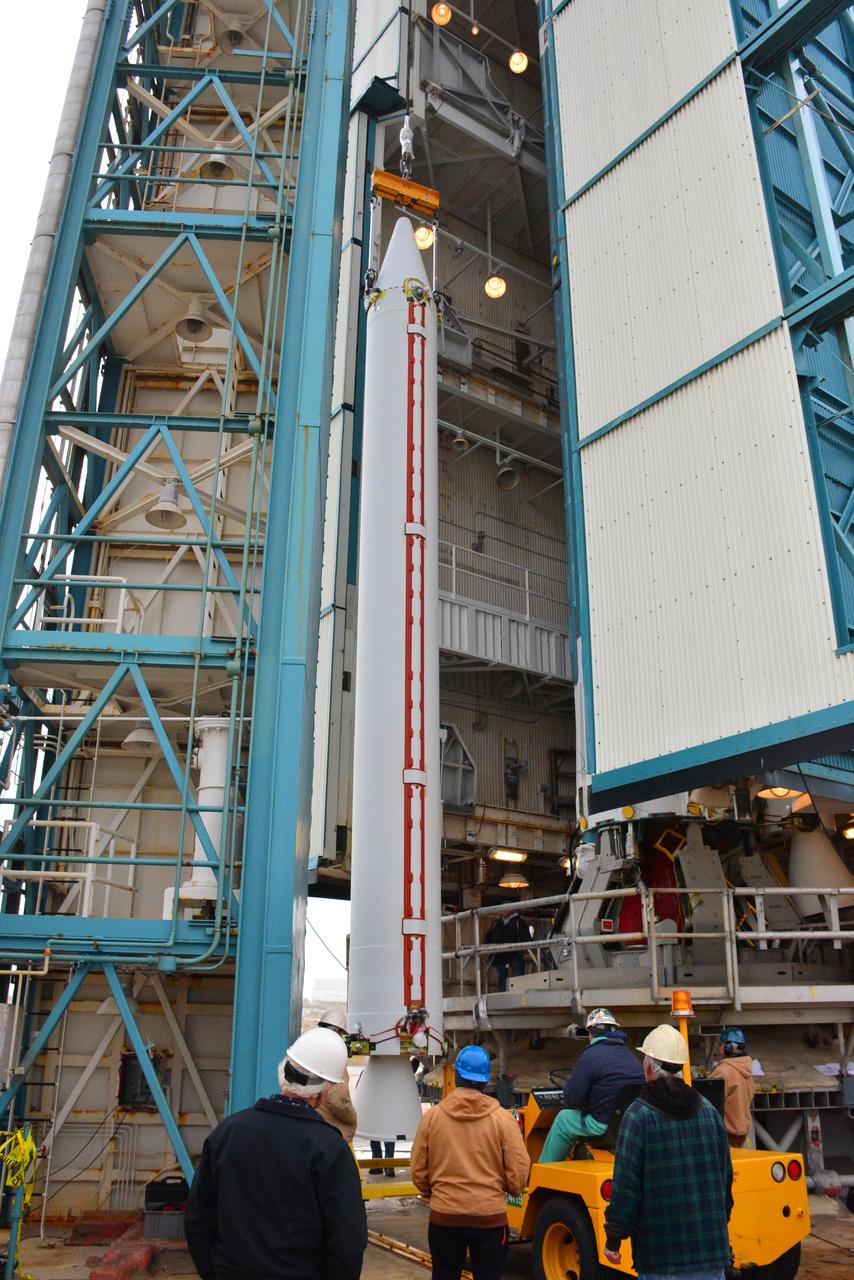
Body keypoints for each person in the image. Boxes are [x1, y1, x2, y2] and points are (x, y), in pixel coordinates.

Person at [185, 1027, 367, 1280]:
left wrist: (213, 1272)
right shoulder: (329, 1149)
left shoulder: (227, 1132)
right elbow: (347, 1241)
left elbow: (198, 1219)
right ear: (324, 1092)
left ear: (283, 1072)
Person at [603, 1024, 733, 1280]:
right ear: (681, 1067)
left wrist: (614, 1239)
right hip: (711, 1254)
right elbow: (725, 1180)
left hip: (661, 1258)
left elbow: (626, 1188)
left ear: (648, 1068)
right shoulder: (709, 1111)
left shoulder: (638, 1116)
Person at [411, 1044, 530, 1280]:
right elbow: (518, 1177)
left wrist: (436, 1190)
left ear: (456, 1077)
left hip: (445, 1218)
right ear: (485, 1081)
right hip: (490, 1220)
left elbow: (418, 1171)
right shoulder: (502, 1119)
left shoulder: (433, 1117)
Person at [539, 1008, 644, 1162]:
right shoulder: (631, 1056)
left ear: (590, 1032)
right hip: (628, 1126)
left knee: (563, 1119)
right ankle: (588, 1158)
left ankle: (545, 1172)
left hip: (602, 1126)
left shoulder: (590, 1056)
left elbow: (573, 1099)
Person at [314, 1009, 358, 1143]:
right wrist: (352, 1119)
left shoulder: (311, 1051)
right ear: (338, 1032)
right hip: (331, 1134)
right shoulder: (335, 1056)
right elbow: (339, 1098)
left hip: (314, 1126)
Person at [709, 1026, 756, 1148]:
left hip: (725, 1134)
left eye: (721, 1044)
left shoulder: (723, 1071)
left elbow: (708, 1102)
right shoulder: (747, 1072)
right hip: (741, 1134)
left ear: (728, 1047)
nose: (720, 1047)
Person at [485, 910, 533, 992]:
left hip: (515, 953)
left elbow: (526, 937)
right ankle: (502, 996)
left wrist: (524, 946)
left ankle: (519, 993)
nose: (503, 911)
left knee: (519, 976)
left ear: (511, 910)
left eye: (505, 909)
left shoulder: (519, 921)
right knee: (502, 979)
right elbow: (488, 937)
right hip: (500, 954)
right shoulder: (496, 923)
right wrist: (488, 947)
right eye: (502, 909)